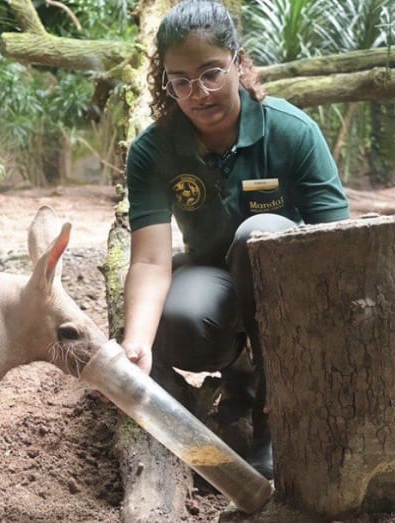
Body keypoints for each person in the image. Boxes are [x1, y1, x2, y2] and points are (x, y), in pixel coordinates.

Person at [121, 0, 350, 479]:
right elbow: (149, 262)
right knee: (175, 323)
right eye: (180, 81)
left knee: (260, 236)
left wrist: (319, 351)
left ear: (238, 62)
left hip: (293, 294)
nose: (198, 93)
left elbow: (339, 246)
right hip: (214, 278)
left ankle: (272, 408)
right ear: (164, 82)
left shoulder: (291, 131)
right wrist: (136, 343)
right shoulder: (152, 150)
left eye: (210, 74)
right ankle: (240, 368)